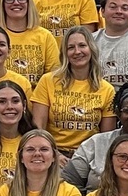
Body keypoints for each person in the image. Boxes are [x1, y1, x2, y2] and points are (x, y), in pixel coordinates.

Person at [32, 26, 119, 154]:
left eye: (82, 45)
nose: (77, 51)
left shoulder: (107, 89)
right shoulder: (47, 81)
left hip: (89, 155)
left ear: (91, 49)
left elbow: (105, 139)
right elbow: (38, 130)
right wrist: (54, 154)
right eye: (71, 47)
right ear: (65, 53)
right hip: (53, 152)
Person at [0, 0, 63, 85]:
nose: (16, 3)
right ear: (2, 4)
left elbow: (54, 78)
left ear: (29, 3)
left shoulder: (45, 36)